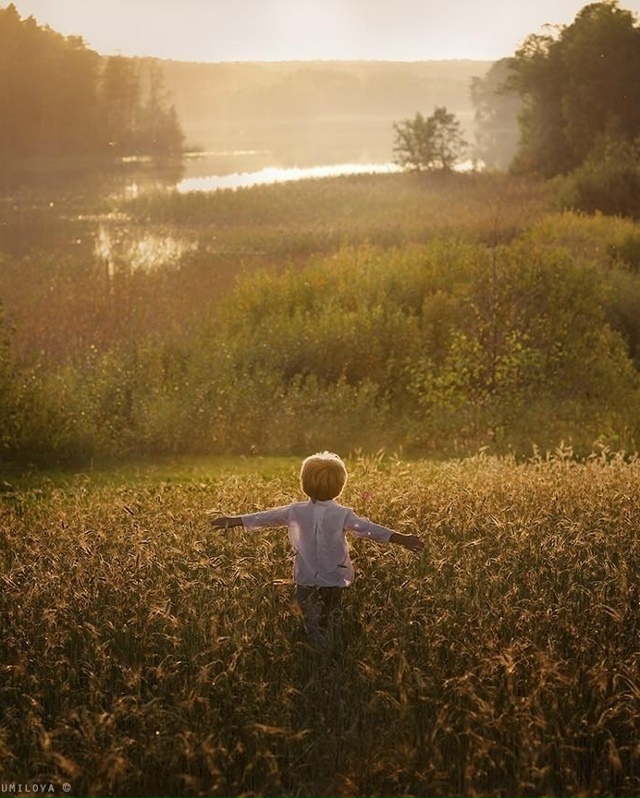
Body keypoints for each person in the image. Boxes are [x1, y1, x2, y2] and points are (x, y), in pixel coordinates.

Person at [209, 451, 423, 651]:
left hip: (306, 577)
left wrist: (235, 520)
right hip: (334, 578)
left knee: (309, 621)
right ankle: (330, 652)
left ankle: (315, 650)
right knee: (331, 619)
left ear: (304, 484)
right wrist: (401, 538)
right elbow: (368, 529)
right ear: (340, 486)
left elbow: (266, 517)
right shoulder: (342, 514)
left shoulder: (295, 511)